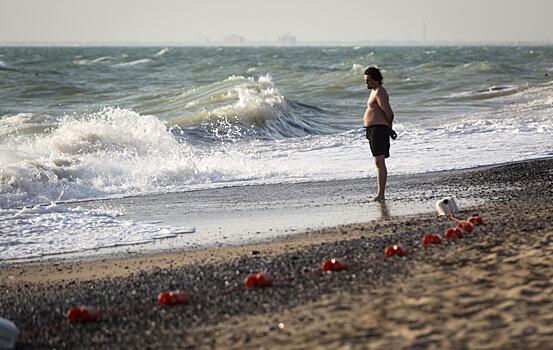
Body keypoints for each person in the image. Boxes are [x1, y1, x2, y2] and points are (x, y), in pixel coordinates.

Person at [363, 66, 395, 202]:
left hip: (379, 130)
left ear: (376, 79)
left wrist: (389, 128)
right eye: (365, 80)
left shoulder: (380, 92)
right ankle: (380, 194)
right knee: (378, 162)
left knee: (379, 162)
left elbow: (389, 112)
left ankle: (381, 194)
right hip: (373, 130)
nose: (366, 83)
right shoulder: (374, 91)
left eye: (368, 80)